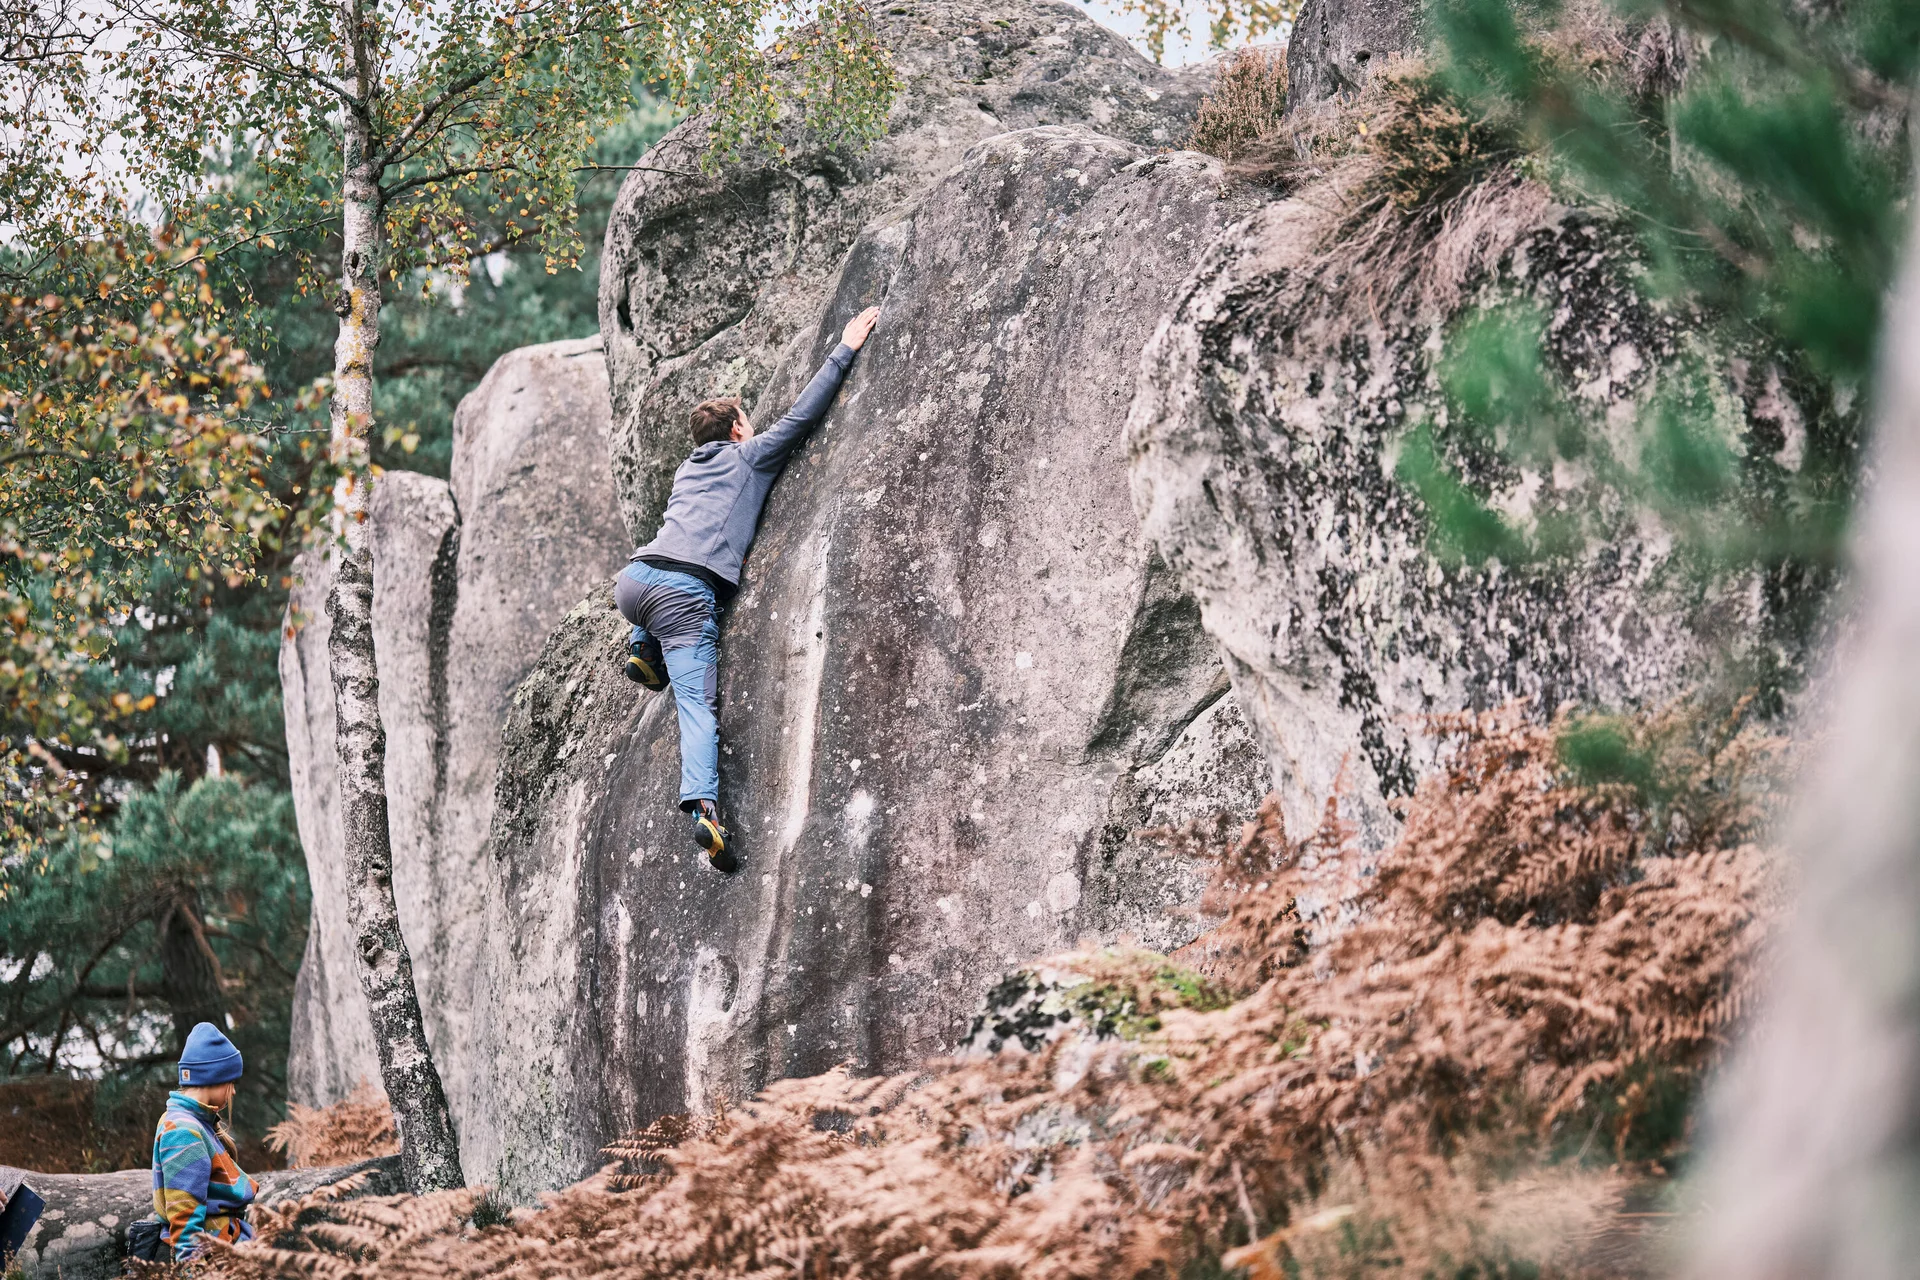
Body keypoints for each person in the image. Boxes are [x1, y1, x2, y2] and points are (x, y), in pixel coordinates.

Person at [617, 305, 882, 871]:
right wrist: (846, 347)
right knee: (695, 703)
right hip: (684, 596)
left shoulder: (688, 471)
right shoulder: (750, 457)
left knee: (663, 571)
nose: (754, 426)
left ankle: (642, 646)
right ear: (738, 429)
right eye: (747, 420)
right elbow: (803, 418)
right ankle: (705, 810)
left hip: (635, 584)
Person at [151, 1022, 257, 1261]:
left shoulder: (188, 1121)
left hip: (224, 1251)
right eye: (231, 1082)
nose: (233, 1092)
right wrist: (192, 1272)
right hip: (214, 1259)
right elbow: (186, 1224)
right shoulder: (183, 1132)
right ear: (215, 1078)